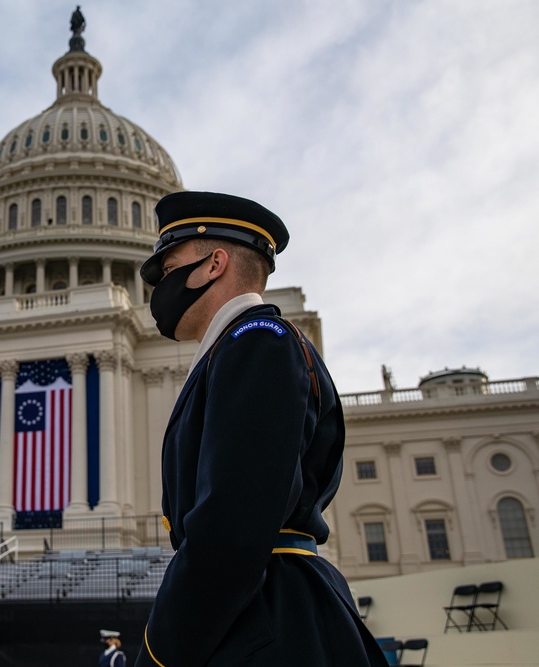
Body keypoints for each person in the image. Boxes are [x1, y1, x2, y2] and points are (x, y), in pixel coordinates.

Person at [135, 191, 388, 666]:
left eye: (169, 270)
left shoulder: (256, 343)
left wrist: (161, 651)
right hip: (262, 607)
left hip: (266, 616)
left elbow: (231, 524)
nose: (160, 288)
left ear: (214, 264)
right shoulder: (238, 348)